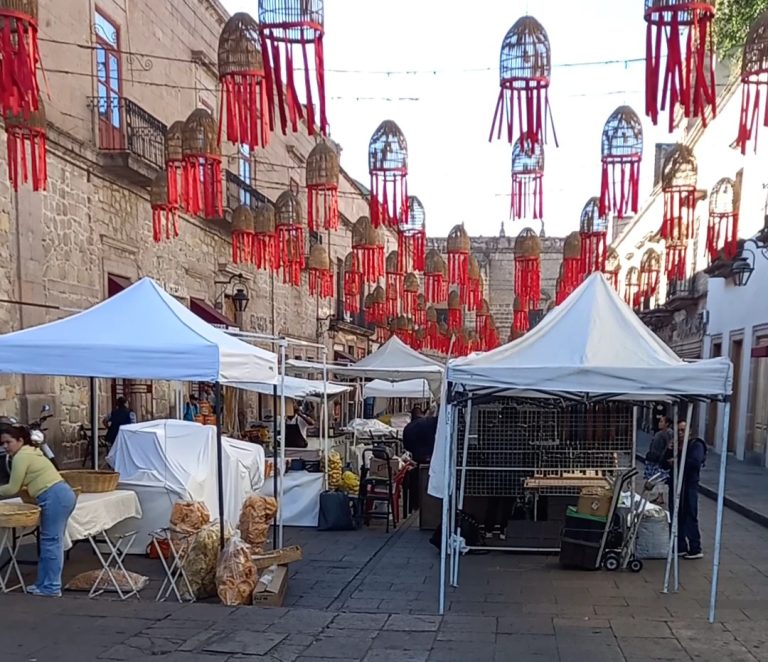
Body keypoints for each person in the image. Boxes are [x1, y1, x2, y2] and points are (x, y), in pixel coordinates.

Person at [0, 424, 76, 597]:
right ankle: (43, 584)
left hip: (54, 496)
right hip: (60, 494)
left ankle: (51, 587)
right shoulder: (31, 451)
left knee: (51, 543)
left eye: (8, 442)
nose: (5, 446)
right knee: (50, 542)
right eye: (2, 443)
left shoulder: (21, 457)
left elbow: (13, 488)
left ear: (20, 440)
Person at [663, 420, 707, 560]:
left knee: (689, 514)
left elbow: (695, 462)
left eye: (683, 430)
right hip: (674, 484)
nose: (680, 434)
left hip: (689, 484)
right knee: (676, 514)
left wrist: (676, 461)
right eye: (678, 431)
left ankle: (695, 547)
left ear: (690, 431)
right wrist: (669, 450)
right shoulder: (674, 445)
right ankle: (680, 545)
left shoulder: (696, 444)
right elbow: (662, 461)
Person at [644, 415, 673, 482]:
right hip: (652, 459)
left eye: (661, 422)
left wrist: (662, 459)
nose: (659, 423)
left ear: (667, 424)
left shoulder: (668, 433)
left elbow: (668, 447)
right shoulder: (658, 433)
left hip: (658, 461)